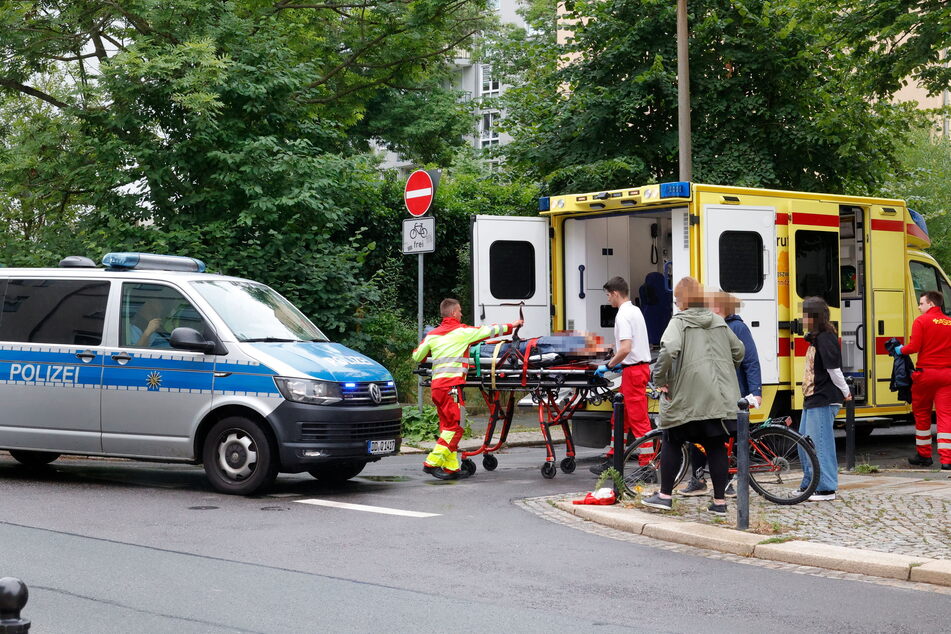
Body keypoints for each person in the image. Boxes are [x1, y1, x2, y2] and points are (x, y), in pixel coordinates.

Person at [641, 277, 744, 516]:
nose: (676, 304)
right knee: (716, 446)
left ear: (683, 301)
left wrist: (660, 380)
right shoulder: (718, 322)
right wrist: (727, 371)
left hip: (688, 397)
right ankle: (719, 502)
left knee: (672, 440)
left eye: (677, 300)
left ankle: (665, 496)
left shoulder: (678, 322)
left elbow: (668, 350)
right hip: (718, 397)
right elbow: (739, 350)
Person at [412, 299, 522, 480]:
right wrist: (513, 325)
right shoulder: (462, 332)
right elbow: (488, 331)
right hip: (451, 389)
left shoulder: (432, 335)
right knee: (456, 427)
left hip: (437, 388)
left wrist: (434, 351)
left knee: (447, 427)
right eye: (460, 311)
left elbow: (418, 355)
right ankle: (432, 462)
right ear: (454, 313)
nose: (462, 314)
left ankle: (451, 467)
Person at [679, 291, 762, 497]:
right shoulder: (711, 326)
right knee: (701, 436)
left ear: (720, 308)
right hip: (712, 392)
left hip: (733, 393)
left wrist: (755, 391)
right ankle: (699, 479)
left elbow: (750, 361)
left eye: (710, 306)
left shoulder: (737, 327)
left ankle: (727, 482)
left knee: (723, 441)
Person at [590, 276, 653, 476]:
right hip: (635, 369)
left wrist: (609, 365)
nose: (608, 299)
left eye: (609, 295)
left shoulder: (623, 315)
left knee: (638, 419)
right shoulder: (635, 311)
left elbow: (625, 347)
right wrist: (621, 365)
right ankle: (613, 456)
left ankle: (647, 466)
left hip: (634, 371)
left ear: (616, 293)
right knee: (621, 417)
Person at [797, 296, 852, 502]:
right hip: (813, 396)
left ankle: (826, 488)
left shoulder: (825, 338)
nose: (802, 318)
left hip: (824, 397)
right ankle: (809, 484)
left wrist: (845, 391)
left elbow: (833, 369)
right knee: (804, 441)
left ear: (814, 317)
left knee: (819, 444)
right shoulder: (817, 337)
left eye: (805, 315)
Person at [892, 291, 951, 470]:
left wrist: (900, 350)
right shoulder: (950, 323)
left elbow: (914, 347)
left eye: (921, 303)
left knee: (922, 414)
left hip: (925, 375)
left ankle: (924, 455)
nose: (919, 306)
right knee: (945, 416)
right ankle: (947, 460)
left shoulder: (921, 321)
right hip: (947, 375)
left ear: (931, 304)